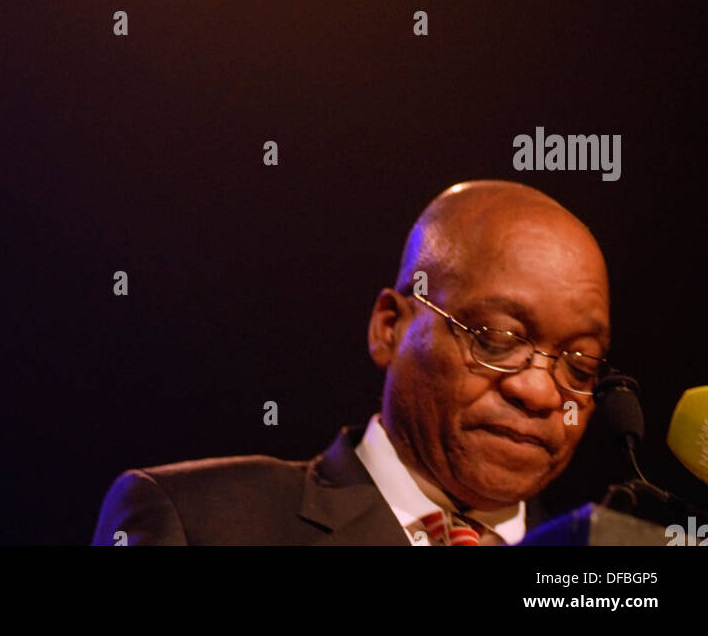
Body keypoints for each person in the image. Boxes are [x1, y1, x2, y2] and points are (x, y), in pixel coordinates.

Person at [91, 180, 611, 546]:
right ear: (389, 326)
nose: (541, 394)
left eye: (580, 367)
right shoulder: (199, 519)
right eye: (497, 340)